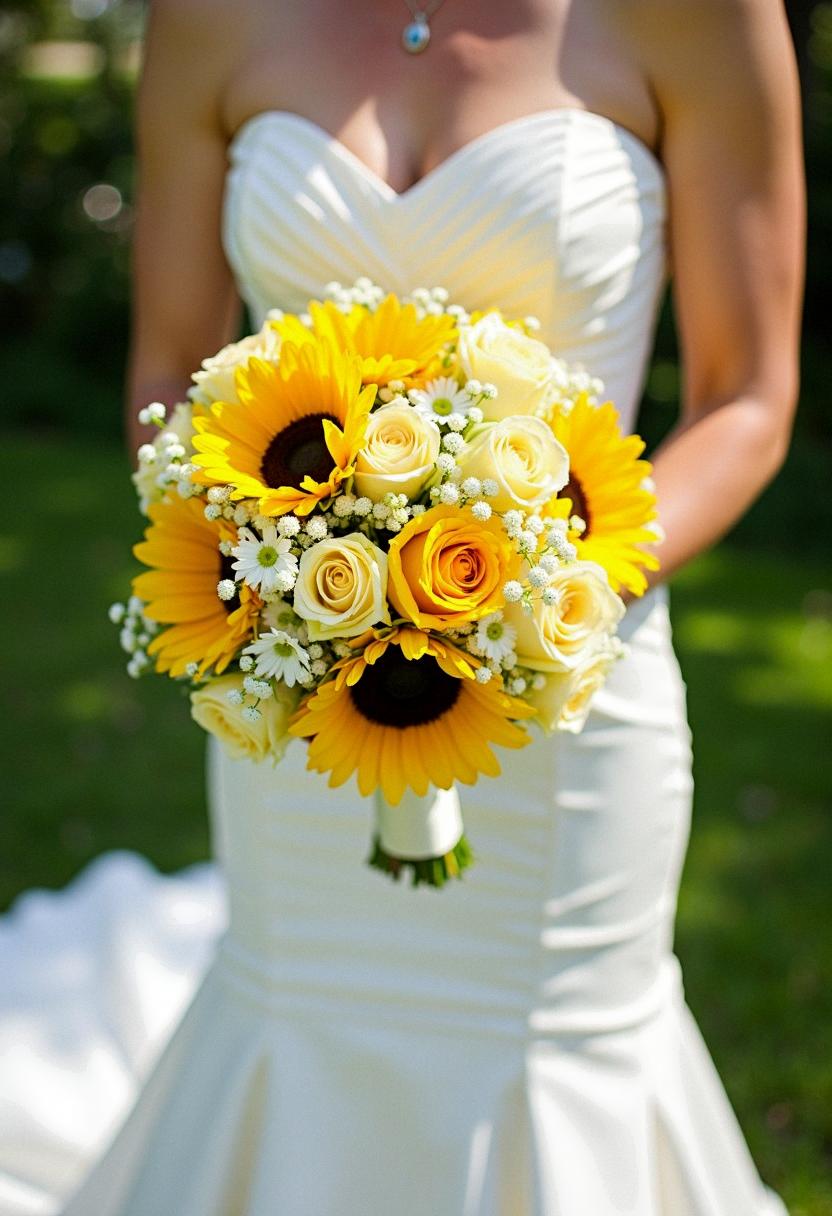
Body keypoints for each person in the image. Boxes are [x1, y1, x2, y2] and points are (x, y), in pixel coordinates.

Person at [0, 1, 804, 1213]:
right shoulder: (210, 15)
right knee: (301, 1010)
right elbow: (169, 372)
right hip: (299, 694)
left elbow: (745, 398)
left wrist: (535, 597)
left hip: (571, 704)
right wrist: (279, 575)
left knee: (558, 1041)